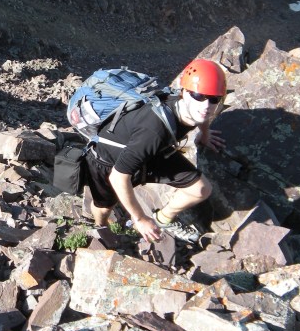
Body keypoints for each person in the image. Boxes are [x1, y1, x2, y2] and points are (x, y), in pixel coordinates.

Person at [84, 58, 226, 244]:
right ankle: (101, 228)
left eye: (214, 99)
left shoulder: (191, 108)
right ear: (184, 92)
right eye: (199, 96)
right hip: (107, 160)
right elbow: (118, 177)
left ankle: (162, 219)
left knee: (200, 189)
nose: (206, 105)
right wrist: (140, 218)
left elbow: (203, 115)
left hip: (151, 151)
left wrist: (204, 135)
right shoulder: (154, 130)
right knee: (104, 207)